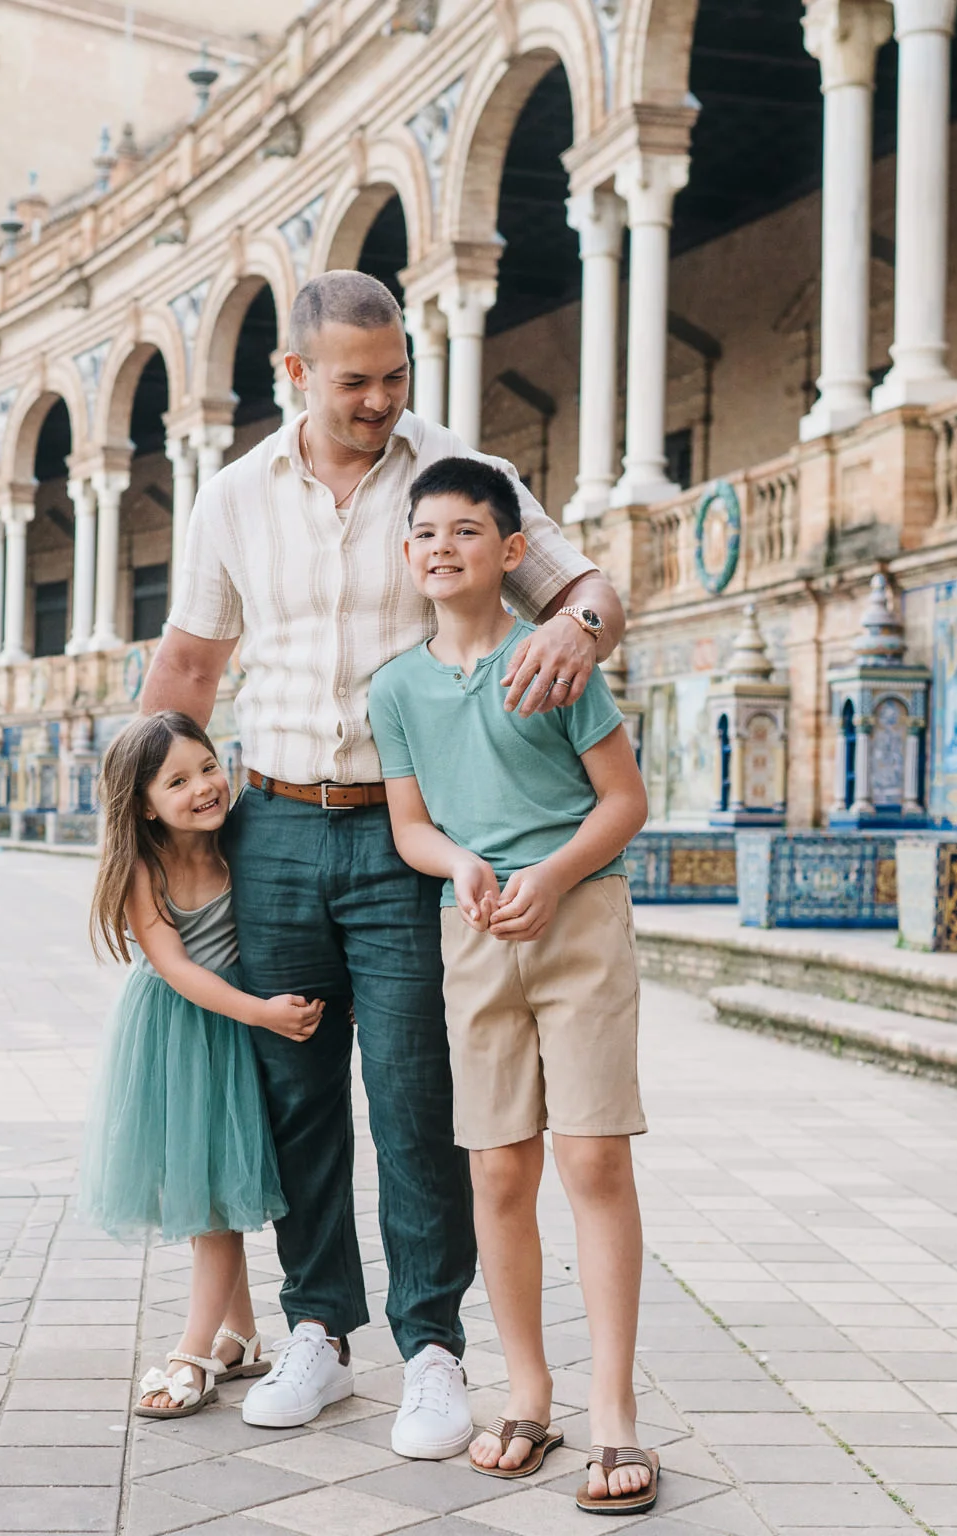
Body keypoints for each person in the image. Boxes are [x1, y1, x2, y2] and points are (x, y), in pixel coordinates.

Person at [140, 268, 628, 1457]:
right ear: (294, 374)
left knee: (418, 1096)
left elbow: (583, 587)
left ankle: (431, 1348)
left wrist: (577, 625)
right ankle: (316, 1327)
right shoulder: (232, 497)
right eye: (352, 381)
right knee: (293, 1093)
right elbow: (190, 670)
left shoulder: (453, 468)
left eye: (394, 374)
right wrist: (140, 836)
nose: (378, 399)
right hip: (272, 825)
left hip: (413, 836)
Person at [370, 457, 654, 1514]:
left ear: (510, 550)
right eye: (424, 533)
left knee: (592, 1158)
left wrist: (553, 875)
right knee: (495, 1171)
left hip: (578, 922)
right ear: (407, 554)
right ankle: (526, 1392)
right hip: (476, 931)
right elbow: (410, 826)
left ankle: (613, 1408)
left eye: (466, 530)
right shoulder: (395, 688)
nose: (442, 547)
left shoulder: (555, 659)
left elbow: (622, 802)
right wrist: (460, 867)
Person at [78, 712, 324, 1420]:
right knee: (208, 1200)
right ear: (144, 804)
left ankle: (237, 1335)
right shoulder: (144, 869)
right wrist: (261, 1013)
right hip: (180, 1032)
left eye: (208, 767)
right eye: (177, 781)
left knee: (216, 1191)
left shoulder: (240, 841)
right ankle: (198, 1348)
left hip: (234, 1029)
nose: (203, 787)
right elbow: (177, 968)